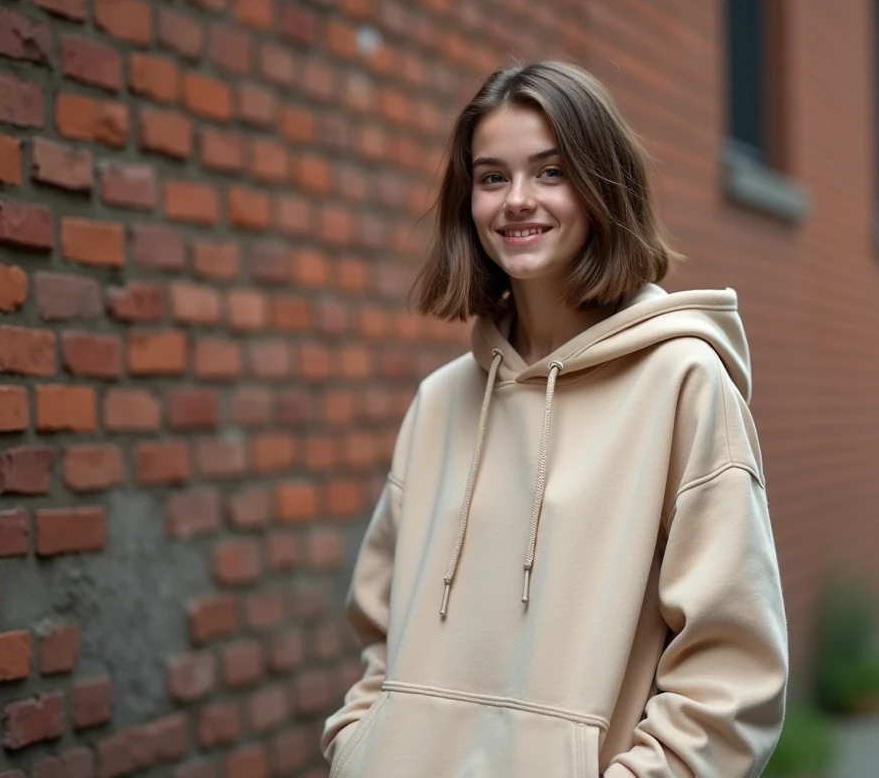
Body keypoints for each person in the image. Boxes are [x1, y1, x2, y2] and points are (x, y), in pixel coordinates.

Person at [320, 61, 788, 778]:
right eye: (492, 177)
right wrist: (362, 746)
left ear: (603, 187)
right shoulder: (440, 403)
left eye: (550, 172)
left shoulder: (682, 385)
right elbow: (381, 637)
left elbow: (734, 667)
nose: (517, 200)